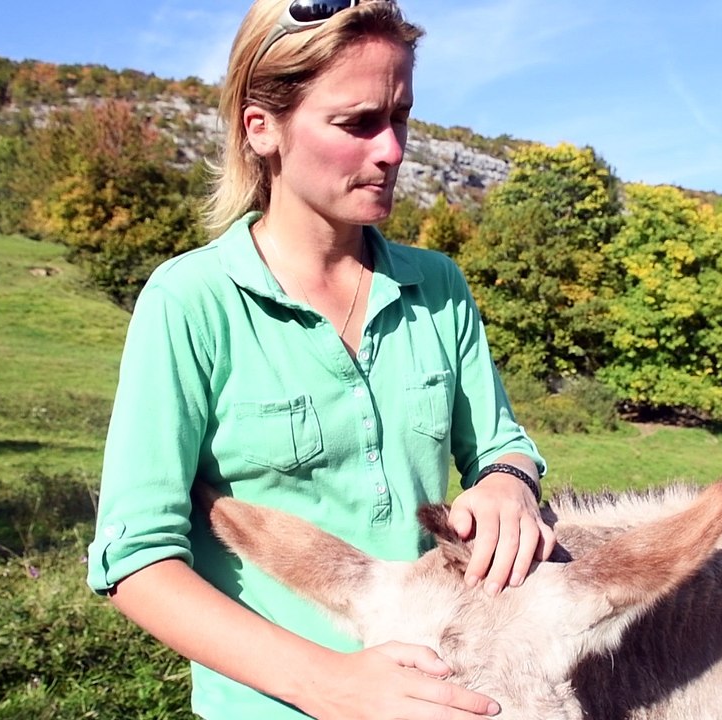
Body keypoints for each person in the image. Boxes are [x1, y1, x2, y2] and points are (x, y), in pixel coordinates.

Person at [84, 1, 556, 718]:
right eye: (357, 122)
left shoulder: (439, 287)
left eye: (400, 117)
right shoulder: (191, 302)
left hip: (447, 695)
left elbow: (502, 445)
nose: (393, 149)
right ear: (262, 128)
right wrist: (329, 684)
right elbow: (137, 562)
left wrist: (506, 485)